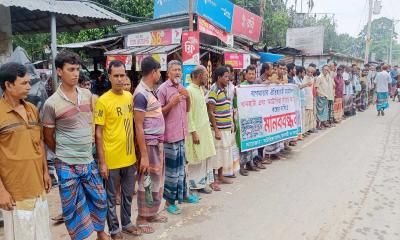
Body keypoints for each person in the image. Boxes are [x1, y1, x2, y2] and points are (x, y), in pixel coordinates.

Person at [42, 51, 108, 240]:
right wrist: (63, 152)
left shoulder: (87, 95)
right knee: (72, 207)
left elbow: (91, 124)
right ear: (59, 71)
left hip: (88, 160)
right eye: (71, 69)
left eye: (78, 69)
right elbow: (48, 136)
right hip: (66, 164)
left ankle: (100, 232)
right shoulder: (51, 103)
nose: (76, 73)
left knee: (100, 198)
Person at [0, 62, 52, 240]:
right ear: (8, 85)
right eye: (23, 83)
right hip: (15, 192)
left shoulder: (31, 109)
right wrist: (1, 191)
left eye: (29, 83)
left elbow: (40, 142)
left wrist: (46, 172)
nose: (29, 86)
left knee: (42, 234)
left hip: (38, 187)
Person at [95, 60, 141, 239]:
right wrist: (103, 162)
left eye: (123, 75)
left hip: (129, 158)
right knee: (111, 199)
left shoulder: (129, 97)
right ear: (109, 77)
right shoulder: (103, 101)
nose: (120, 79)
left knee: (128, 195)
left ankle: (127, 222)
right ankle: (114, 229)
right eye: (116, 76)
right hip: (111, 159)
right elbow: (98, 134)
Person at [157, 60, 198, 215]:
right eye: (174, 70)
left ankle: (184, 195)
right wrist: (172, 103)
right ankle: (169, 202)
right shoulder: (163, 89)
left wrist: (188, 98)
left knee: (182, 169)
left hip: (181, 134)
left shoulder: (182, 88)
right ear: (168, 73)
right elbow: (158, 114)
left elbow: (187, 110)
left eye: (179, 70)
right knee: (172, 172)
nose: (178, 72)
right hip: (169, 137)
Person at [133, 56, 168, 234]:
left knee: (156, 180)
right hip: (149, 145)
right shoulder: (140, 94)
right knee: (146, 181)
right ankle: (142, 217)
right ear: (153, 71)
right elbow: (138, 126)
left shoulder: (149, 91)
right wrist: (144, 155)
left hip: (157, 143)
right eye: (158, 71)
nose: (159, 74)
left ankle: (152, 212)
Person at [185, 65, 216, 194]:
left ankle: (203, 184)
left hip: (205, 130)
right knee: (196, 160)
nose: (207, 77)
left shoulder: (200, 89)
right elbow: (188, 114)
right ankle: (193, 186)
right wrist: (194, 132)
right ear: (199, 76)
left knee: (205, 157)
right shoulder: (189, 91)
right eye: (205, 75)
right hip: (196, 132)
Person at [207, 66, 234, 191]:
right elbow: (210, 111)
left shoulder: (223, 89)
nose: (228, 79)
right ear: (219, 77)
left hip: (226, 128)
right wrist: (216, 129)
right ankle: (213, 180)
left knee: (223, 153)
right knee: (216, 155)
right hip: (218, 129)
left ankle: (221, 176)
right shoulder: (214, 90)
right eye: (226, 77)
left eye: (228, 76)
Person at [234, 65, 265, 176]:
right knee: (243, 144)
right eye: (250, 74)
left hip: (254, 119)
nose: (252, 76)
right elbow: (234, 103)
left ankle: (250, 163)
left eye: (253, 74)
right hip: (244, 120)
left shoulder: (257, 87)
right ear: (245, 75)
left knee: (253, 144)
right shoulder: (240, 87)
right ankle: (241, 166)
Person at [260, 62, 284, 160]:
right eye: (271, 69)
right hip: (263, 111)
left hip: (271, 110)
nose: (273, 71)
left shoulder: (272, 79)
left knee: (273, 132)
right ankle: (264, 156)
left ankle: (274, 153)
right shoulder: (259, 80)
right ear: (266, 70)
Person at [224, 64, 240, 178]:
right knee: (224, 147)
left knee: (231, 145)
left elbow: (235, 104)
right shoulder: (218, 87)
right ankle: (224, 172)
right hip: (221, 119)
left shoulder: (233, 87)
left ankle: (231, 170)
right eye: (226, 73)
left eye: (229, 73)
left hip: (230, 118)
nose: (228, 75)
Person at [303, 66, 317, 133]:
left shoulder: (312, 78)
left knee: (311, 114)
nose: (310, 73)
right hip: (305, 98)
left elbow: (313, 88)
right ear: (306, 71)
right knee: (306, 114)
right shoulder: (304, 78)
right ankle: (305, 130)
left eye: (311, 72)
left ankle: (309, 128)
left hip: (311, 97)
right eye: (309, 72)